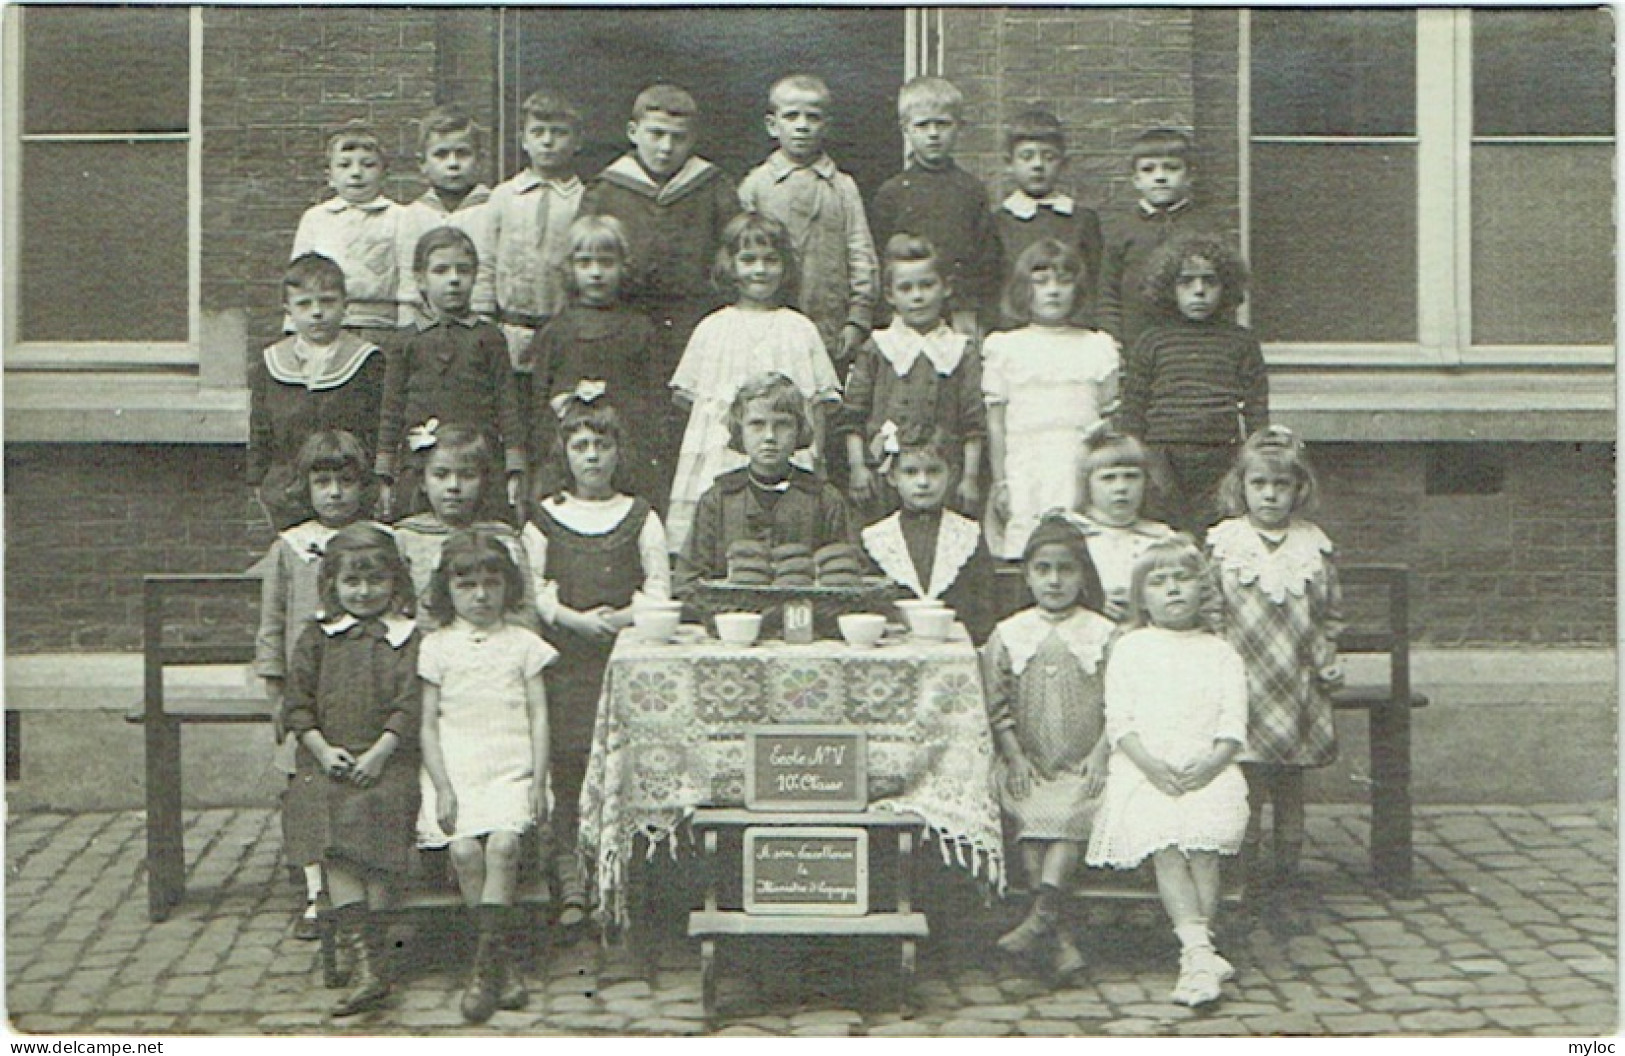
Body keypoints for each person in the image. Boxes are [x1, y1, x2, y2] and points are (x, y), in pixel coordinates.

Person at [1086, 536, 1250, 1007]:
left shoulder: (1220, 653)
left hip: (1208, 769)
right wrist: (1153, 767)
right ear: (1142, 597)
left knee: (1203, 843)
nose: (1173, 590)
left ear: (1204, 589)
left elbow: (1233, 726)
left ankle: (1197, 954)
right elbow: (1120, 723)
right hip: (1145, 771)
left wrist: (1212, 763)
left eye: (1183, 579)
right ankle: (1200, 953)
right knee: (1167, 844)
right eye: (1159, 582)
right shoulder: (1132, 648)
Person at [528, 392, 671, 930]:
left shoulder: (640, 517)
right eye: (580, 445)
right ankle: (571, 877)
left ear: (618, 452)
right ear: (563, 452)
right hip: (566, 665)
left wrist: (627, 616)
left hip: (626, 665)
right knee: (569, 769)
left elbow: (659, 587)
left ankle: (623, 876)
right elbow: (533, 590)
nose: (591, 457)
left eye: (602, 445)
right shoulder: (546, 517)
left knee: (622, 770)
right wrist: (572, 618)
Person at [281, 523, 420, 1018]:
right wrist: (321, 749)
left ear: (395, 583)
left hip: (387, 761)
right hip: (331, 761)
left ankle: (374, 961)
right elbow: (297, 703)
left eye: (376, 581)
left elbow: (409, 704)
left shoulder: (404, 638)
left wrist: (383, 750)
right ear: (333, 586)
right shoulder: (318, 637)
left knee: (378, 827)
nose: (364, 593)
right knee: (334, 833)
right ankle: (366, 963)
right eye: (352, 583)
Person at [417, 529, 556, 1023]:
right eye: (467, 585)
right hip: (458, 769)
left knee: (502, 846)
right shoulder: (436, 647)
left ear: (508, 588)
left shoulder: (523, 644)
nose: (480, 596)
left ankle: (485, 969)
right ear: (447, 591)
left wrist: (538, 780)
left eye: (491, 584)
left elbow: (539, 716)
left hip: (511, 769)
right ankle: (501, 963)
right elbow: (429, 723)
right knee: (463, 850)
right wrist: (443, 787)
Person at [1208, 427, 1343, 904]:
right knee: (1245, 784)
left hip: (1296, 686)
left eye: (1280, 485)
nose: (1269, 495)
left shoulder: (1313, 548)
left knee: (1289, 784)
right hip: (1243, 685)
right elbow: (1212, 613)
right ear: (1240, 487)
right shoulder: (1226, 545)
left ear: (1298, 489)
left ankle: (1287, 871)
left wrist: (1326, 657)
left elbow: (1329, 615)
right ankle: (1240, 872)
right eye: (1259, 484)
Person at [253, 430, 379, 941]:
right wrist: (275, 691)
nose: (334, 493)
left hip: (360, 684)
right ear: (305, 487)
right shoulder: (290, 548)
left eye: (345, 482)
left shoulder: (376, 538)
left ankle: (362, 881)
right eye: (322, 482)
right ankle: (314, 892)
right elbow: (272, 624)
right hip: (308, 690)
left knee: (357, 784)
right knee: (306, 789)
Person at [981, 515, 1112, 980]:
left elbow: (1121, 704)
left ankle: (1040, 921)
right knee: (1031, 814)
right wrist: (1015, 756)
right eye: (1043, 569)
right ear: (1029, 575)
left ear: (1083, 575)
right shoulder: (1010, 633)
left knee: (1072, 810)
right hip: (1029, 761)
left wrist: (1099, 755)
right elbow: (995, 706)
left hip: (1085, 763)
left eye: (1066, 570)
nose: (1055, 580)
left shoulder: (1103, 633)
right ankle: (1054, 935)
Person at [665, 213, 841, 554]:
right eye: (748, 260)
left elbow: (817, 404)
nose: (759, 270)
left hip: (786, 456)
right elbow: (692, 406)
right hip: (721, 456)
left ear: (786, 267)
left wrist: (815, 456)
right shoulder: (712, 329)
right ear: (730, 266)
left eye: (770, 260)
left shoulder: (799, 328)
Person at [579, 84, 737, 420]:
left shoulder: (713, 187)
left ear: (692, 140)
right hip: (624, 324)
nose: (666, 147)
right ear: (633, 132)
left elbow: (733, 257)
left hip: (692, 327)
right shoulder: (606, 190)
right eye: (656, 134)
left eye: (678, 138)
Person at [1116, 233, 1267, 539]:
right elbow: (1133, 407)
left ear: (1226, 286)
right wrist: (1138, 459)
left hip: (1221, 456)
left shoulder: (1241, 342)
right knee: (1168, 535)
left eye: (1209, 282)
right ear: (1169, 288)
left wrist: (1255, 453)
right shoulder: (1152, 341)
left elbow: (1255, 405)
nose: (1199, 291)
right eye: (1186, 282)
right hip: (1163, 459)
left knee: (1218, 535)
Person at [983, 239, 1120, 560]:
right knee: (1028, 540)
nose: (1053, 290)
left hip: (1078, 459)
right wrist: (1001, 480)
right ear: (1023, 289)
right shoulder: (1006, 348)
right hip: (1026, 460)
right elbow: (996, 424)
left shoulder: (1096, 346)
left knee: (1081, 546)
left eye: (1064, 281)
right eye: (1041, 282)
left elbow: (1108, 415)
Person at [376, 227, 525, 522]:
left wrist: (515, 467)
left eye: (463, 270)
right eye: (441, 271)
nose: (454, 279)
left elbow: (507, 404)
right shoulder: (405, 341)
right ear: (421, 279)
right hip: (422, 466)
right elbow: (391, 410)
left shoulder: (488, 337)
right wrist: (384, 473)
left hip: (477, 466)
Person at [738, 73, 878, 376]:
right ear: (772, 125)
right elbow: (739, 255)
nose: (802, 126)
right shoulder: (756, 185)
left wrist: (858, 319)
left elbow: (860, 253)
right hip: (769, 325)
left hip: (830, 325)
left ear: (826, 126)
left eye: (812, 117)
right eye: (791, 116)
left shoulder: (842, 187)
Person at [840, 234, 985, 524]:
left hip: (943, 478)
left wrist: (969, 478)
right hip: (884, 478)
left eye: (927, 285)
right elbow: (852, 417)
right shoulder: (878, 348)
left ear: (945, 288)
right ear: (891, 295)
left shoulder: (959, 350)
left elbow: (974, 423)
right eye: (906, 288)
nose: (917, 296)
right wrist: (858, 468)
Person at [674, 372, 856, 596]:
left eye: (782, 425)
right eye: (757, 425)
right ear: (739, 430)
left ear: (799, 430)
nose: (769, 436)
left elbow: (848, 574)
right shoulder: (718, 500)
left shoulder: (825, 500)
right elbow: (687, 581)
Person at [526, 216, 662, 503]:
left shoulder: (639, 329)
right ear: (570, 269)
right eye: (585, 263)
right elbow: (540, 400)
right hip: (569, 457)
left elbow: (654, 400)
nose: (596, 272)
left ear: (623, 266)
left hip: (625, 457)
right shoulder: (556, 331)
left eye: (606, 262)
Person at [248, 254, 387, 530]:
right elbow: (260, 427)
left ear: (345, 305)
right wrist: (257, 479)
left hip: (346, 490)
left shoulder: (367, 360)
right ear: (289, 311)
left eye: (327, 301)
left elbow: (378, 426)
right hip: (287, 491)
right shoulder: (272, 362)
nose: (317, 312)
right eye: (304, 304)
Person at [871, 76, 1000, 335]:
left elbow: (986, 259)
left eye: (942, 124)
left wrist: (970, 310)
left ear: (959, 127)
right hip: (906, 312)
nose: (933, 134)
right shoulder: (893, 192)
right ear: (905, 128)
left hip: (958, 316)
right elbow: (879, 257)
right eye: (923, 125)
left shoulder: (971, 190)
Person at [389, 422, 542, 633]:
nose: (453, 486)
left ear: (483, 481)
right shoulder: (404, 538)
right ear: (423, 482)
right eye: (441, 475)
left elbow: (525, 610)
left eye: (467, 475)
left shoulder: (504, 538)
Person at [859, 423, 995, 645]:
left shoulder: (968, 534)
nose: (923, 482)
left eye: (933, 471)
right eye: (911, 472)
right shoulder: (876, 538)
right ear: (893, 477)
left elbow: (983, 606)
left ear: (951, 474)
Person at [488, 91, 586, 370]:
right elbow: (486, 261)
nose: (547, 141)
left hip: (563, 329)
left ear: (577, 141)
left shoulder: (584, 200)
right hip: (508, 328)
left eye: (559, 133)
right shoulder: (504, 196)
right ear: (524, 140)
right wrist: (484, 321)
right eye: (538, 132)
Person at [1097, 127, 1216, 351]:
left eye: (1171, 168)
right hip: (1136, 342)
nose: (1160, 177)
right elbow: (1107, 291)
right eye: (1148, 170)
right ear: (1136, 180)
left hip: (1191, 343)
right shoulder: (1122, 230)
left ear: (1190, 175)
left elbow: (1223, 290)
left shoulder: (1205, 228)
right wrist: (1112, 338)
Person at [290, 123, 409, 342]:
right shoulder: (316, 218)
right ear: (330, 176)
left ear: (385, 174)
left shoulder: (400, 217)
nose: (356, 173)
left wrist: (407, 329)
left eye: (368, 165)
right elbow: (299, 278)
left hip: (381, 326)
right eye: (344, 165)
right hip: (325, 324)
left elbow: (408, 276)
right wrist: (294, 326)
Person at [992, 109, 1103, 330]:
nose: (1038, 165)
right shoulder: (998, 222)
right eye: (1027, 156)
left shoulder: (1082, 220)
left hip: (1071, 331)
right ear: (1009, 163)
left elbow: (1094, 283)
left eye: (1049, 157)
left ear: (1063, 164)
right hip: (1014, 332)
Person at [1059, 425, 1174, 622]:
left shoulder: (1161, 539)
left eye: (1131, 477)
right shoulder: (1070, 535)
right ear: (1087, 485)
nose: (1121, 488)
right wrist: (1092, 600)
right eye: (1108, 478)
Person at [399, 107, 496, 328]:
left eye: (462, 153)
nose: (453, 164)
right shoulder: (412, 215)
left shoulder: (493, 208)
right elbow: (408, 279)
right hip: (426, 324)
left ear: (480, 160)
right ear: (422, 163)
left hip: (481, 321)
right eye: (441, 154)